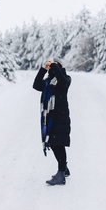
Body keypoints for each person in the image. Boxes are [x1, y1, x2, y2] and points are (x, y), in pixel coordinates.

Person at [33, 57, 71, 186]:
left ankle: (61, 174)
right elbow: (36, 85)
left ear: (59, 67)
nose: (52, 68)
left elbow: (63, 82)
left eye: (55, 66)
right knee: (54, 143)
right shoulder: (47, 82)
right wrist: (43, 69)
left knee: (58, 143)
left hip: (61, 117)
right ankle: (64, 168)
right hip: (50, 118)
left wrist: (55, 66)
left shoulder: (65, 79)